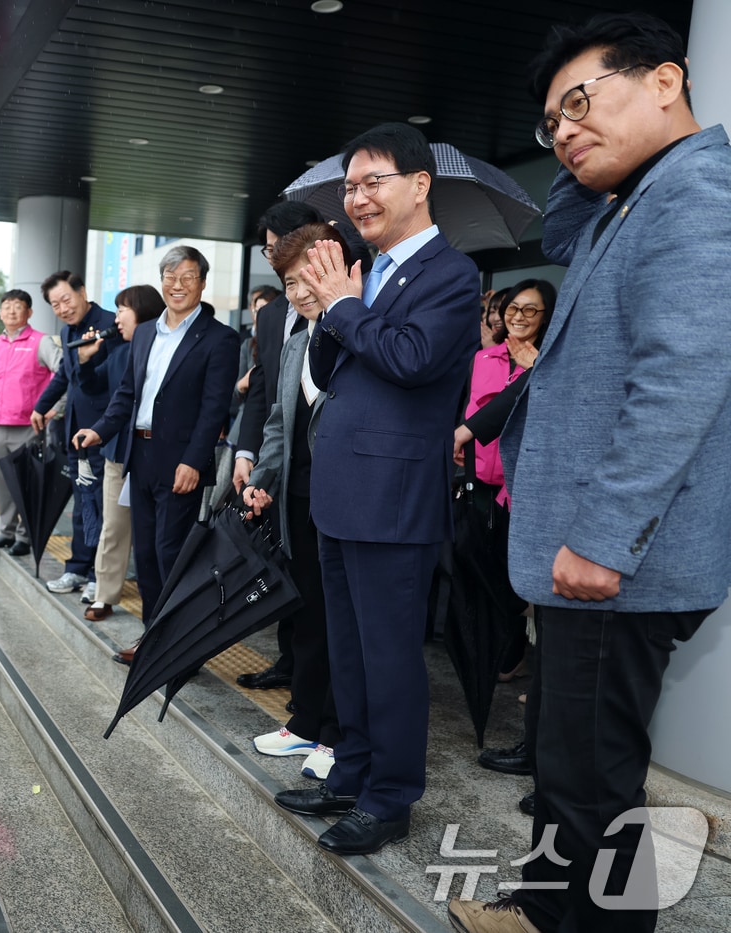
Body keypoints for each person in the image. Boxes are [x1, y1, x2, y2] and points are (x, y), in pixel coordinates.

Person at [450, 13, 731, 933]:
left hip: (620, 562)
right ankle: (542, 907)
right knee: (570, 766)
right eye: (551, 122)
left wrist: (604, 539)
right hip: (596, 554)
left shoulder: (697, 192)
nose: (564, 130)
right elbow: (565, 236)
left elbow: (679, 381)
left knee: (593, 779)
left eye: (581, 102)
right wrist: (594, 165)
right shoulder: (642, 194)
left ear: (664, 81)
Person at [271, 122, 479, 858]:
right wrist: (333, 304)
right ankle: (350, 770)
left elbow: (414, 359)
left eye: (372, 182)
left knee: (390, 658)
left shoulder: (453, 275)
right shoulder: (366, 270)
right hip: (341, 489)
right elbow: (329, 373)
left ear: (419, 185)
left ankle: (390, 797)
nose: (356, 197)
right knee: (351, 650)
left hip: (394, 499)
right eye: (350, 185)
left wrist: (344, 306)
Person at [74, 246, 239, 663]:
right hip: (139, 456)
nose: (177, 284)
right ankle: (153, 638)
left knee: (173, 554)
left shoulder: (220, 338)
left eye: (187, 277)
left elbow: (213, 407)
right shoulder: (146, 332)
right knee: (145, 554)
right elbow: (127, 394)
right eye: (170, 276)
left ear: (202, 282)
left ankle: (181, 646)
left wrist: (194, 460)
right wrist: (99, 430)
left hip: (181, 461)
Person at [240, 223, 350, 782]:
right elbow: (280, 427)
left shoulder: (356, 332)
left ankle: (336, 733)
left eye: (309, 275)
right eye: (288, 281)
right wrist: (261, 477)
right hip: (297, 501)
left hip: (345, 502)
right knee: (305, 614)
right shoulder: (294, 344)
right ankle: (306, 720)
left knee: (340, 623)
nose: (300, 290)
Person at [452, 280, 556, 814]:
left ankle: (516, 648)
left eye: (529, 310)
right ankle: (507, 648)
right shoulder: (484, 359)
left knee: (526, 594)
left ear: (547, 317)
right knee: (486, 577)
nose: (517, 316)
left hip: (528, 497)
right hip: (480, 490)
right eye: (511, 308)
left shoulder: (550, 362)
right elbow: (473, 414)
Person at [231, 202, 326, 692]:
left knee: (314, 588)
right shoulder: (271, 319)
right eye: (269, 252)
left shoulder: (343, 315)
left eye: (276, 249)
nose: (270, 259)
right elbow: (265, 397)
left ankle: (308, 686)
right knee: (284, 569)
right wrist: (248, 456)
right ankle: (289, 664)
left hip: (321, 478)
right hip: (277, 469)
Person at [80, 285, 165, 623]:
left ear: (142, 311)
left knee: (157, 537)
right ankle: (104, 594)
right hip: (118, 452)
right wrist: (85, 361)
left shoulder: (165, 349)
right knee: (113, 527)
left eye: (122, 310)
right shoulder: (117, 352)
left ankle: (158, 607)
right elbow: (93, 388)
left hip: (156, 454)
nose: (116, 319)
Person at [32, 271, 117, 595]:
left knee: (100, 504)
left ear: (82, 291)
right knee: (82, 503)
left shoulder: (110, 323)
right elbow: (64, 377)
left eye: (66, 299)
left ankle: (100, 574)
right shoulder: (68, 332)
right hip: (75, 432)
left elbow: (105, 380)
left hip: (103, 431)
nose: (63, 308)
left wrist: (83, 361)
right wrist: (41, 407)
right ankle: (78, 569)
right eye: (55, 304)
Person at [0, 289, 61, 557]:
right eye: (6, 306)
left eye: (17, 306)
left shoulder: (41, 342)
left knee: (27, 482)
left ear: (29, 313)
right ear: (0, 312)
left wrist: (54, 407)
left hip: (29, 427)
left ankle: (25, 536)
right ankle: (6, 531)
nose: (11, 311)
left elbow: (63, 372)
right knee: (2, 482)